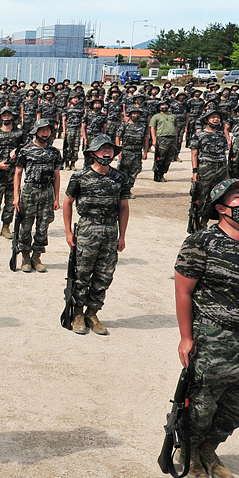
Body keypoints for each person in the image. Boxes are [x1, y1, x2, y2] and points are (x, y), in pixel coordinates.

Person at [173, 179, 239, 478]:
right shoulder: (200, 242)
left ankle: (209, 448)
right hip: (214, 337)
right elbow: (183, 292)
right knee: (203, 402)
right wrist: (186, 337)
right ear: (220, 207)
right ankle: (188, 451)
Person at [62, 135, 131, 335]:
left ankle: (92, 313)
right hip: (87, 230)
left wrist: (122, 235)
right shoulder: (80, 176)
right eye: (102, 149)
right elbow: (67, 202)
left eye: (110, 148)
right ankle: (77, 313)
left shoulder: (120, 178)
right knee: (81, 274)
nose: (107, 152)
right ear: (93, 153)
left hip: (110, 231)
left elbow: (124, 207)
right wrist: (68, 232)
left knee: (104, 275)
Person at [13, 119, 63, 273]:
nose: (45, 132)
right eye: (42, 129)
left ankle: (37, 257)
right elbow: (18, 173)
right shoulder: (25, 151)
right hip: (29, 191)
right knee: (26, 226)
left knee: (43, 227)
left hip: (47, 192)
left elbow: (57, 176)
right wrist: (16, 196)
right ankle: (25, 257)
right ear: (36, 131)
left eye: (48, 130)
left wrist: (56, 198)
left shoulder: (54, 152)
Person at [0, 106, 24, 239]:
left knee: (11, 200)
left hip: (14, 172)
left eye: (9, 115)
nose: (6, 117)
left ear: (13, 116)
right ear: (0, 117)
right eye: (4, 115)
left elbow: (27, 146)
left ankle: (6, 226)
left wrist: (17, 151)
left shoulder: (19, 134)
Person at [149, 101, 179, 182]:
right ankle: (157, 174)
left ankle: (162, 174)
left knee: (168, 159)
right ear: (159, 107)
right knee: (159, 158)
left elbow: (175, 127)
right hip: (162, 139)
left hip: (172, 139)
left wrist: (176, 137)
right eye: (162, 105)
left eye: (165, 105)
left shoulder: (173, 116)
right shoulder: (156, 116)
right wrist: (154, 139)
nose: (164, 106)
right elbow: (152, 128)